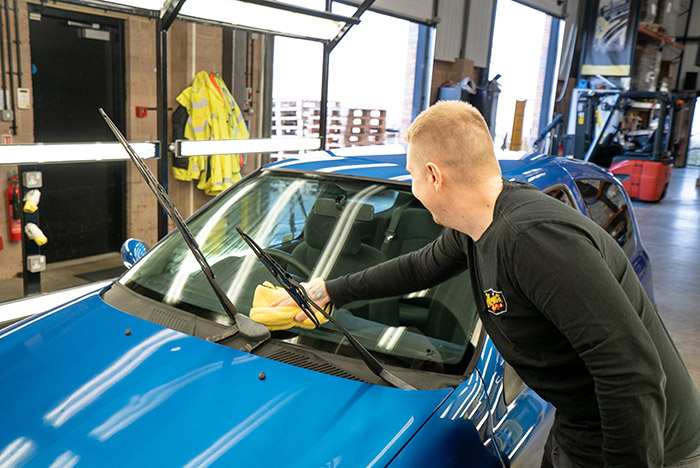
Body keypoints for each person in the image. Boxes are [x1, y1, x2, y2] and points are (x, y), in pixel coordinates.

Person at [273, 100, 700, 467]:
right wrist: (329, 291)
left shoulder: (535, 241)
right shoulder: (477, 224)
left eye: (413, 177)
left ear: (434, 176)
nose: (414, 188)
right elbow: (418, 268)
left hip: (649, 444)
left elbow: (632, 372)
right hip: (581, 424)